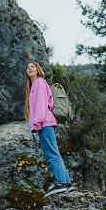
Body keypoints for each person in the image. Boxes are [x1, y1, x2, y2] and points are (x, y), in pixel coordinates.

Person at [25, 61, 74, 197]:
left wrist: (36, 124)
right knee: (54, 153)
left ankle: (59, 184)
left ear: (38, 69)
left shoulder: (39, 83)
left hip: (44, 123)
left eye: (32, 67)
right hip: (46, 123)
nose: (29, 69)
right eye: (28, 68)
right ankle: (67, 183)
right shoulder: (36, 84)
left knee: (51, 154)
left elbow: (41, 105)